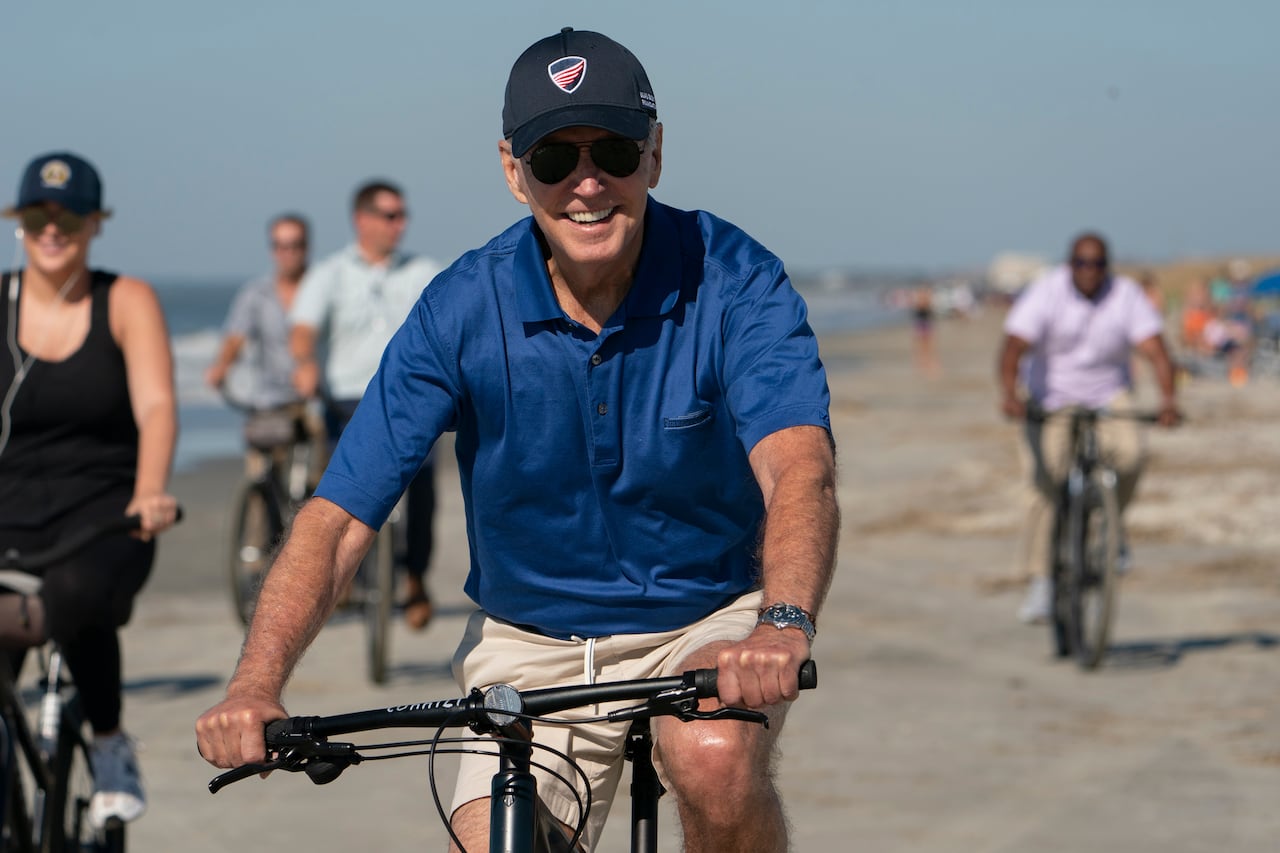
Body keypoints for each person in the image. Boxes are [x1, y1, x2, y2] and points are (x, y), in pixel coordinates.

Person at [197, 27, 838, 853]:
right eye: (552, 160)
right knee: (497, 842)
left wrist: (782, 623)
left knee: (713, 755)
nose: (587, 183)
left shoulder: (736, 278)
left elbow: (798, 467)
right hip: (528, 640)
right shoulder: (462, 306)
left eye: (612, 149)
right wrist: (256, 685)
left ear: (655, 155)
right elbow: (341, 515)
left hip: (707, 616)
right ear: (511, 170)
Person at [0, 152, 179, 828]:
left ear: (93, 223)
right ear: (19, 221)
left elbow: (157, 405)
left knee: (72, 595)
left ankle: (108, 743)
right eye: (38, 214)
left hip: (104, 519)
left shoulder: (125, 300)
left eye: (69, 215)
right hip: (9, 516)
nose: (53, 228)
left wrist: (151, 490)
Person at [997, 232, 1179, 623]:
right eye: (1081, 263)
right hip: (1052, 397)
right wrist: (1010, 394)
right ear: (1070, 264)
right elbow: (1013, 346)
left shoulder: (1126, 294)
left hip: (1109, 395)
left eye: (1097, 264)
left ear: (1107, 266)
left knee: (1132, 455)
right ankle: (1041, 581)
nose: (1089, 272)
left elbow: (1156, 350)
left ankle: (1113, 529)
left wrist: (1168, 401)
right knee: (1046, 480)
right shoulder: (1047, 292)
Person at [289, 181, 442, 629]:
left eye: (402, 215)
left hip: (413, 399)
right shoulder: (329, 273)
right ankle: (345, 578)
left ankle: (415, 577)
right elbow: (303, 330)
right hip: (348, 400)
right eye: (389, 215)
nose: (400, 225)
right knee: (341, 495)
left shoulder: (424, 271)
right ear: (362, 219)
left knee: (425, 493)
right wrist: (303, 363)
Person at [205, 214, 321, 483]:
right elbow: (235, 336)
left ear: (307, 247)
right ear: (272, 249)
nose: (288, 253)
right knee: (260, 482)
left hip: (314, 401)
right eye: (280, 245)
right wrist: (222, 365)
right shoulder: (255, 293)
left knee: (319, 483)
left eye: (295, 245)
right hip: (269, 401)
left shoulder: (320, 288)